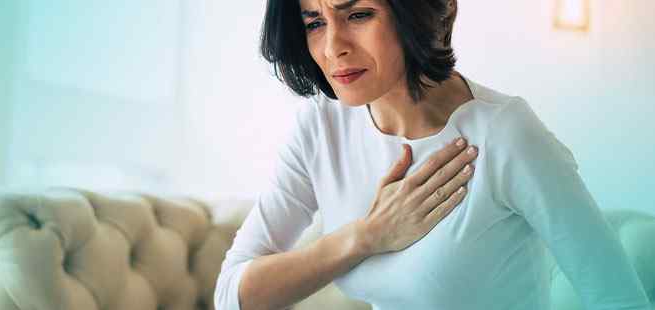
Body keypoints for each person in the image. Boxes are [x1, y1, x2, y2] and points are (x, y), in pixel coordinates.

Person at [215, 0, 650, 309]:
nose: (333, 47)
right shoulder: (320, 128)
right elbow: (232, 295)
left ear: (417, 13)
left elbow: (618, 298)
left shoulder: (505, 133)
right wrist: (367, 236)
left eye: (359, 14)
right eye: (314, 22)